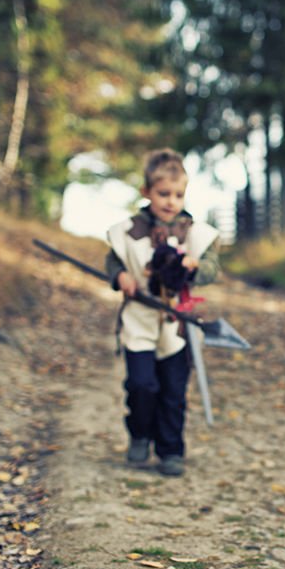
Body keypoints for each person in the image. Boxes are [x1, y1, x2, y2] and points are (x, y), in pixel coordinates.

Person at [105, 148, 220, 477]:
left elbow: (212, 268)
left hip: (176, 324)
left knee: (173, 390)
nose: (171, 201)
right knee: (142, 385)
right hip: (139, 320)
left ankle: (170, 449)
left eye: (178, 194)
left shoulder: (196, 232)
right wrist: (119, 276)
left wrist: (196, 266)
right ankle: (140, 433)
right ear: (146, 192)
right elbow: (113, 259)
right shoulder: (128, 230)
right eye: (163, 194)